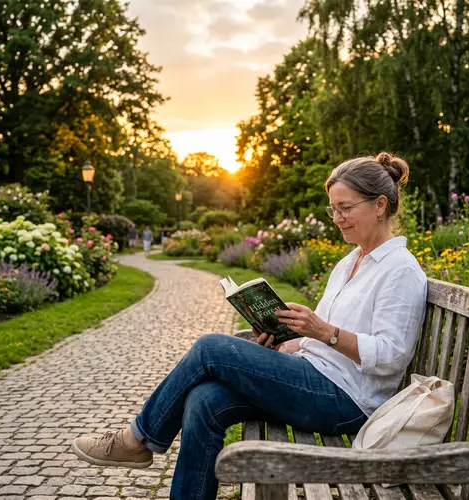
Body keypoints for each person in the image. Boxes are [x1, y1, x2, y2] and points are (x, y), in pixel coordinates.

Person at [72, 152, 427, 500]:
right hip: (313, 375)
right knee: (204, 400)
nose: (337, 218)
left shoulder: (400, 270)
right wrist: (289, 341)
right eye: (332, 208)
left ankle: (137, 440)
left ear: (380, 205)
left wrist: (322, 331)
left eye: (345, 208)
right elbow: (327, 342)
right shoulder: (349, 263)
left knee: (210, 348)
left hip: (345, 400)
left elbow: (392, 355)